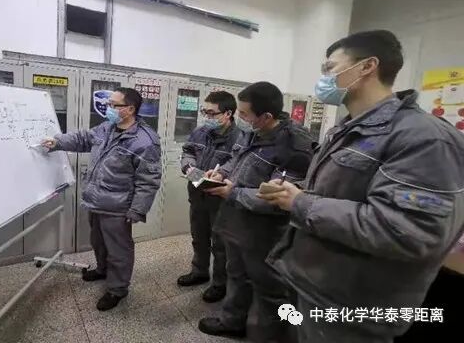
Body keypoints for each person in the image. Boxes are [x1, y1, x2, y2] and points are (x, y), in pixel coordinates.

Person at [261, 30, 464, 343]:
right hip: (321, 285)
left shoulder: (425, 138)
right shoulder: (349, 128)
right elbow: (343, 190)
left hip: (357, 305)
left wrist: (300, 203)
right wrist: (294, 189)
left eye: (330, 68)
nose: (323, 78)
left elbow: (409, 232)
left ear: (367, 66)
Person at [197, 82, 314, 341]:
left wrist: (232, 193)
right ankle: (233, 321)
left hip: (265, 231)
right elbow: (235, 158)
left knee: (269, 287)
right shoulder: (253, 132)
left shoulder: (294, 146)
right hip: (238, 220)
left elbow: (277, 197)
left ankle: (273, 334)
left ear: (266, 116)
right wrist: (221, 173)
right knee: (237, 273)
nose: (239, 118)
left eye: (244, 114)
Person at [42, 87, 162, 311]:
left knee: (118, 249)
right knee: (98, 241)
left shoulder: (145, 141)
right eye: (109, 104)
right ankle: (102, 270)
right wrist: (58, 142)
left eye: (113, 105)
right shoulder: (107, 127)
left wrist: (137, 210)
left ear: (130, 109)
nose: (108, 108)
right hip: (97, 200)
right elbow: (83, 138)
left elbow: (149, 179)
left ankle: (118, 289)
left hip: (118, 206)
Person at [177, 91, 241, 303]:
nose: (207, 117)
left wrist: (221, 173)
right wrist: (189, 167)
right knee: (199, 237)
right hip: (197, 192)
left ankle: (220, 283)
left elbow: (238, 163)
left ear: (228, 113)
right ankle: (199, 271)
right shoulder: (200, 132)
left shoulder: (241, 137)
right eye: (205, 112)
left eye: (212, 113)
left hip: (221, 198)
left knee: (220, 244)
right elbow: (188, 150)